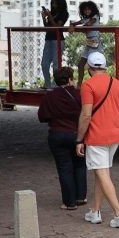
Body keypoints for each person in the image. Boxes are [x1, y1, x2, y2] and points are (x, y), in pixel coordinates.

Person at [75, 51, 119, 227]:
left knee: (102, 173)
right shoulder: (118, 85)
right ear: (105, 67)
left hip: (96, 136)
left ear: (89, 68)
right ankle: (94, 211)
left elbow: (86, 115)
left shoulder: (88, 86)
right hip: (114, 135)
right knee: (101, 172)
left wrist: (79, 139)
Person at [37, 66, 87, 210]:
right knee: (80, 165)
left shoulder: (49, 96)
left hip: (56, 134)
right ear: (70, 79)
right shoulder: (78, 94)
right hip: (76, 134)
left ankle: (69, 202)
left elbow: (42, 117)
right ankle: (81, 196)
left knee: (64, 168)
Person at [68, 1, 102, 86]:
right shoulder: (85, 19)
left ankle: (96, 84)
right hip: (89, 42)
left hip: (95, 41)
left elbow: (88, 24)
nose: (87, 11)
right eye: (85, 10)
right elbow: (76, 23)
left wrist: (80, 28)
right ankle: (79, 84)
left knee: (92, 65)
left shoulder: (95, 16)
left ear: (92, 10)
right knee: (81, 64)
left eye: (88, 9)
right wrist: (72, 25)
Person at [40, 0, 69, 88]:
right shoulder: (52, 13)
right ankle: (47, 84)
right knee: (44, 64)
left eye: (55, 3)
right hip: (48, 40)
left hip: (58, 41)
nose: (53, 5)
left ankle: (55, 84)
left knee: (56, 64)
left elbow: (57, 26)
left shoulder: (64, 13)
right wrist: (44, 18)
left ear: (60, 4)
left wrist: (50, 17)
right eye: (52, 3)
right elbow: (47, 27)